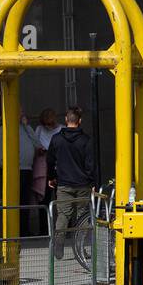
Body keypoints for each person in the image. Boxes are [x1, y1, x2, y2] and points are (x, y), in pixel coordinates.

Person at [47, 107, 96, 260]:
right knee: (82, 217)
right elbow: (91, 164)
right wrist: (92, 182)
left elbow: (49, 161)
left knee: (63, 215)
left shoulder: (56, 139)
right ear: (80, 121)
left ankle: (58, 247)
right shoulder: (86, 140)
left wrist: (52, 177)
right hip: (83, 185)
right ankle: (80, 250)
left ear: (66, 120)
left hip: (64, 184)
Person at [35, 108, 63, 209]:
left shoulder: (62, 130)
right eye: (45, 124)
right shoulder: (39, 129)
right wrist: (40, 150)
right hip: (44, 169)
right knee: (43, 200)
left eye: (49, 124)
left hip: (58, 168)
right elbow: (35, 144)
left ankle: (64, 224)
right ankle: (44, 224)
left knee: (61, 199)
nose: (47, 127)